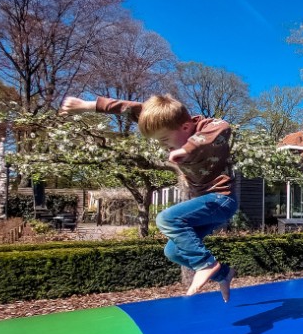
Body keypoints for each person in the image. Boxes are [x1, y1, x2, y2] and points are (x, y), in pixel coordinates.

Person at [59, 93, 237, 302]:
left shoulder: (209, 128)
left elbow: (224, 127)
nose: (165, 147)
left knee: (167, 219)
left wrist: (187, 148)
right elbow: (130, 108)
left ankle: (206, 264)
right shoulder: (166, 119)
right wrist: (86, 105)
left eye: (165, 140)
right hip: (207, 206)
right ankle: (224, 274)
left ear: (186, 128)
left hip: (221, 199)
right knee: (173, 251)